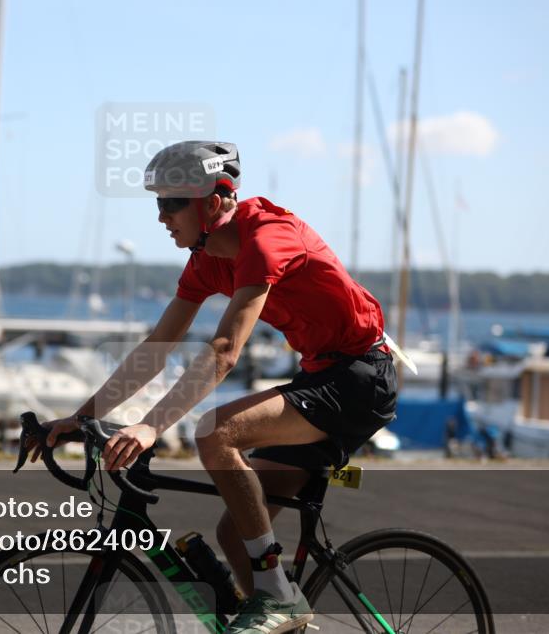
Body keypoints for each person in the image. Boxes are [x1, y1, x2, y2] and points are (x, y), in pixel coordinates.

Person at [32, 140, 398, 633]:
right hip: (321, 376)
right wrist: (80, 417)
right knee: (236, 531)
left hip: (361, 378)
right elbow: (156, 347)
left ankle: (279, 601)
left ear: (212, 201)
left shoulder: (268, 238)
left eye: (171, 202)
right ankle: (285, 612)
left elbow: (226, 349)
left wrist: (149, 427)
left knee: (215, 432)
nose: (161, 215)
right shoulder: (207, 261)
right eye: (156, 202)